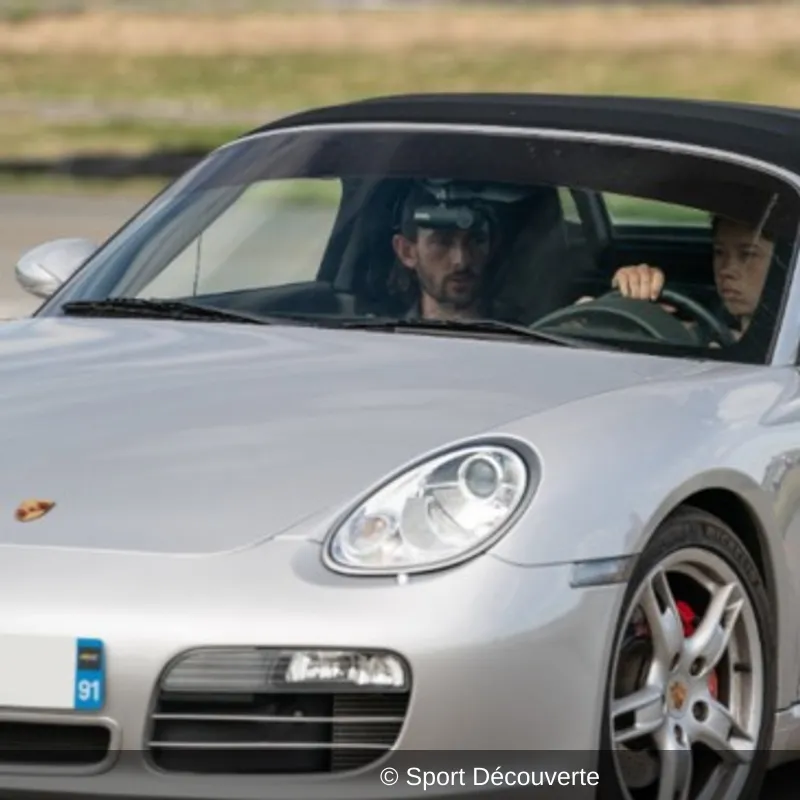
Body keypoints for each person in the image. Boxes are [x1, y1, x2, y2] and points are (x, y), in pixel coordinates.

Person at [607, 215, 775, 342]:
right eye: (719, 252)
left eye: (748, 254)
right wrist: (635, 287)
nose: (726, 269)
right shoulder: (711, 317)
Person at [388, 182, 500, 321]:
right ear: (407, 252)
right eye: (443, 243)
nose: (461, 261)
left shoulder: (530, 334)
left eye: (476, 241)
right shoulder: (385, 340)